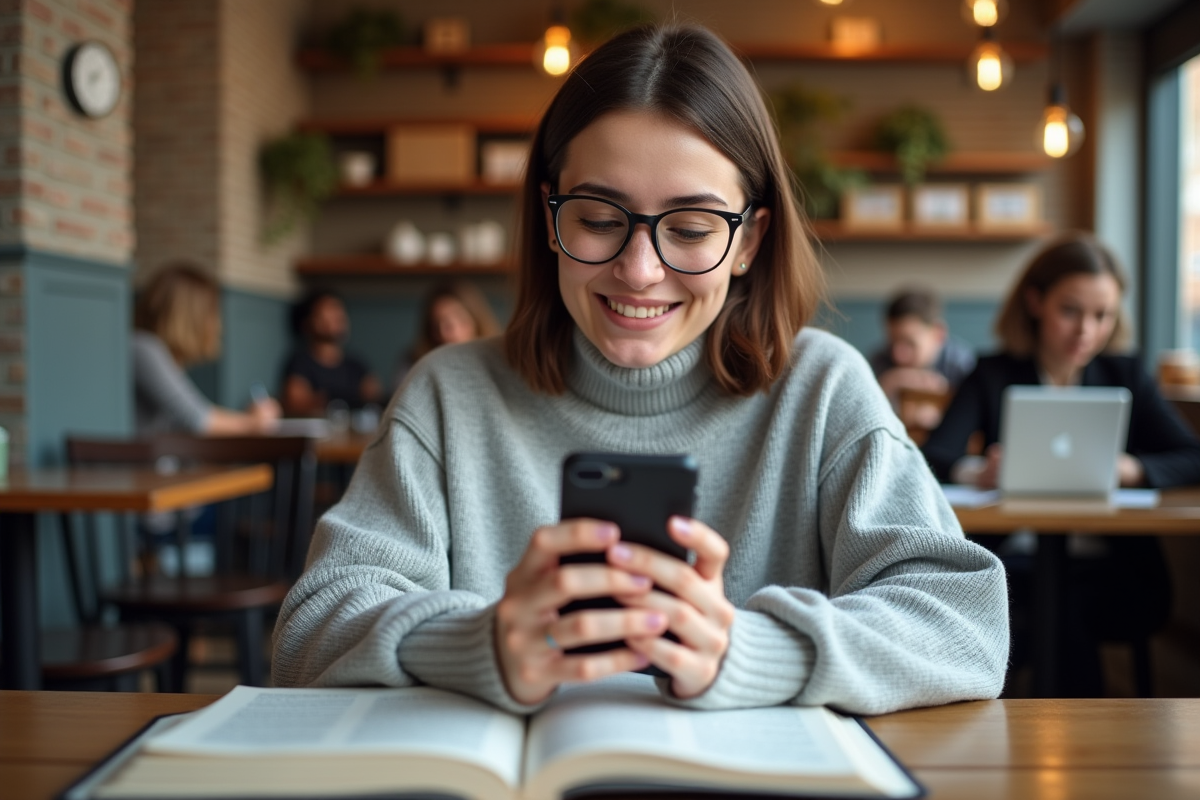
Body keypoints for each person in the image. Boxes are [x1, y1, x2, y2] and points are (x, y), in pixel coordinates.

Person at [273, 24, 1008, 715]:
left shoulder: (824, 389)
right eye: (598, 218)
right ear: (551, 220)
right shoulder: (448, 394)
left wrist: (751, 652)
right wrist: (479, 642)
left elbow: (964, 623)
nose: (639, 270)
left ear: (749, 242)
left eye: (690, 229)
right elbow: (308, 633)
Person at [922, 233, 1200, 695]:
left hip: (1117, 570)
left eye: (1102, 315)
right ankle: (1062, 748)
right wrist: (978, 471)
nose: (1086, 330)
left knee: (1057, 613)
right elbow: (931, 458)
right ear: (1035, 301)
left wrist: (1129, 470)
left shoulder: (1125, 374)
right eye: (1071, 311)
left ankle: (1042, 744)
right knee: (1042, 610)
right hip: (1013, 560)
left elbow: (1194, 456)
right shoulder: (992, 373)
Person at [133, 263, 280, 435]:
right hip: (143, 462)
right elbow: (198, 419)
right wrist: (254, 422)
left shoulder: (160, 353)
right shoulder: (144, 347)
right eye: (212, 314)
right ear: (191, 317)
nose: (218, 325)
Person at [869, 287, 976, 431]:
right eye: (892, 342)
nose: (898, 355)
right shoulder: (878, 362)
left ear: (938, 333)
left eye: (909, 343)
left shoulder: (964, 365)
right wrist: (886, 386)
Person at [282, 290, 382, 417]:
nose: (338, 316)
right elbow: (297, 404)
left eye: (339, 310)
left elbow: (375, 399)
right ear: (309, 321)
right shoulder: (299, 364)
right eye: (329, 310)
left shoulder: (357, 364)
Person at [393, 280, 502, 389]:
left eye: (459, 319)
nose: (445, 334)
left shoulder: (498, 362)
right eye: (436, 325)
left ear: (476, 320)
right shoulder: (413, 364)